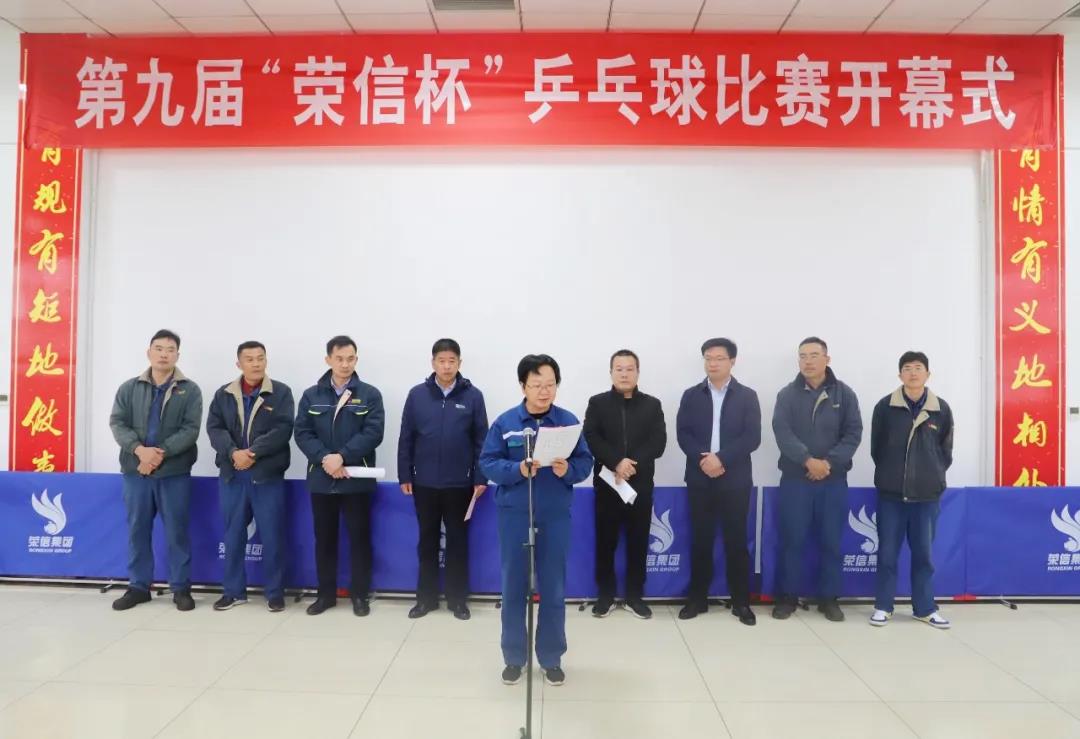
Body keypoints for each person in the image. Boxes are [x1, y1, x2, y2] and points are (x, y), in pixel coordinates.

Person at [480, 354, 592, 688]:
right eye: (537, 385)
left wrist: (568, 470)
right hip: (515, 514)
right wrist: (516, 469)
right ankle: (514, 658)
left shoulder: (567, 422)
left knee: (553, 588)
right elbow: (487, 462)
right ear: (523, 386)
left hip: (555, 515)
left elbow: (585, 462)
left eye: (550, 385)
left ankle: (551, 658)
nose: (544, 391)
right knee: (513, 587)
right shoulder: (506, 423)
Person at [108, 329, 202, 612]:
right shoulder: (129, 388)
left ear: (177, 355)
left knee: (177, 531)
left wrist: (158, 454)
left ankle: (181, 588)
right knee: (137, 529)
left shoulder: (190, 390)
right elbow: (117, 423)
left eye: (170, 350)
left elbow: (190, 430)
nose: (164, 354)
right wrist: (139, 451)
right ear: (149, 353)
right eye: (159, 349)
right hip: (136, 471)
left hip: (173, 473)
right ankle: (138, 587)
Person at [771, 336, 863, 622]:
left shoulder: (844, 394)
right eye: (803, 356)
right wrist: (807, 460)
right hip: (796, 480)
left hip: (833, 481)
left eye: (814, 355)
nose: (808, 361)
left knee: (831, 541)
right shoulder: (787, 395)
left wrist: (828, 463)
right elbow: (782, 431)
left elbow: (853, 434)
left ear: (827, 359)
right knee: (792, 541)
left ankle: (829, 599)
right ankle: (787, 597)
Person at [398, 338, 489, 621]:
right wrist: (404, 473)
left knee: (458, 542)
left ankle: (457, 600)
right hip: (424, 483)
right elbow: (406, 437)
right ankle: (425, 599)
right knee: (427, 541)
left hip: (460, 484)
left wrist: (481, 477)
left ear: (459, 363)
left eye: (452, 361)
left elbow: (481, 441)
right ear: (433, 363)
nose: (447, 366)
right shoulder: (417, 395)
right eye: (442, 361)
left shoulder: (473, 396)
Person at [294, 335, 385, 617]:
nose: (345, 364)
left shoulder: (369, 394)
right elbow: (302, 432)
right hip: (322, 479)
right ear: (328, 360)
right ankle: (326, 595)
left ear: (356, 359)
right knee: (324, 540)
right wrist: (325, 458)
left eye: (350, 359)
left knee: (359, 540)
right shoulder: (312, 395)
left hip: (356, 479)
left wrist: (341, 456)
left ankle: (360, 595)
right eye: (339, 359)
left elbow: (373, 433)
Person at [675, 338, 761, 625]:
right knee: (700, 540)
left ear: (732, 361)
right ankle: (697, 599)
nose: (712, 363)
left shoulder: (747, 396)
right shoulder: (691, 395)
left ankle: (741, 602)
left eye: (719, 358)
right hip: (700, 479)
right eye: (708, 358)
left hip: (735, 480)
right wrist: (704, 460)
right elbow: (683, 434)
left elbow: (752, 437)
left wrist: (721, 459)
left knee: (736, 541)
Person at [205, 340, 295, 613]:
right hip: (233, 476)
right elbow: (215, 429)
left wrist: (252, 453)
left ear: (266, 360)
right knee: (233, 536)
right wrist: (234, 452)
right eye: (250, 359)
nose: (256, 363)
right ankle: (233, 592)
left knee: (272, 536)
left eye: (260, 358)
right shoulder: (224, 394)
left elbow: (282, 430)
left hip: (266, 476)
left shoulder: (281, 392)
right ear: (239, 363)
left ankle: (274, 593)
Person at [869, 351, 954, 629]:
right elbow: (877, 449)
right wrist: (892, 476)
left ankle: (925, 608)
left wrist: (930, 476)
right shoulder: (885, 407)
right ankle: (883, 606)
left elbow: (945, 452)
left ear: (928, 374)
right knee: (887, 554)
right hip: (891, 496)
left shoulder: (941, 409)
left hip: (926, 497)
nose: (913, 373)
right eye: (907, 368)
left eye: (918, 368)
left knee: (924, 556)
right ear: (899, 374)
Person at [583, 349, 666, 619]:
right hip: (608, 484)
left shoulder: (652, 405)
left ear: (637, 373)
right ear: (611, 372)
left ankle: (634, 596)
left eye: (630, 369)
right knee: (605, 542)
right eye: (619, 369)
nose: (624, 374)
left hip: (640, 486)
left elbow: (658, 442)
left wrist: (631, 465)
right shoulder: (597, 403)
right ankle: (605, 596)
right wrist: (616, 462)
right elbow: (591, 437)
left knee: (638, 541)